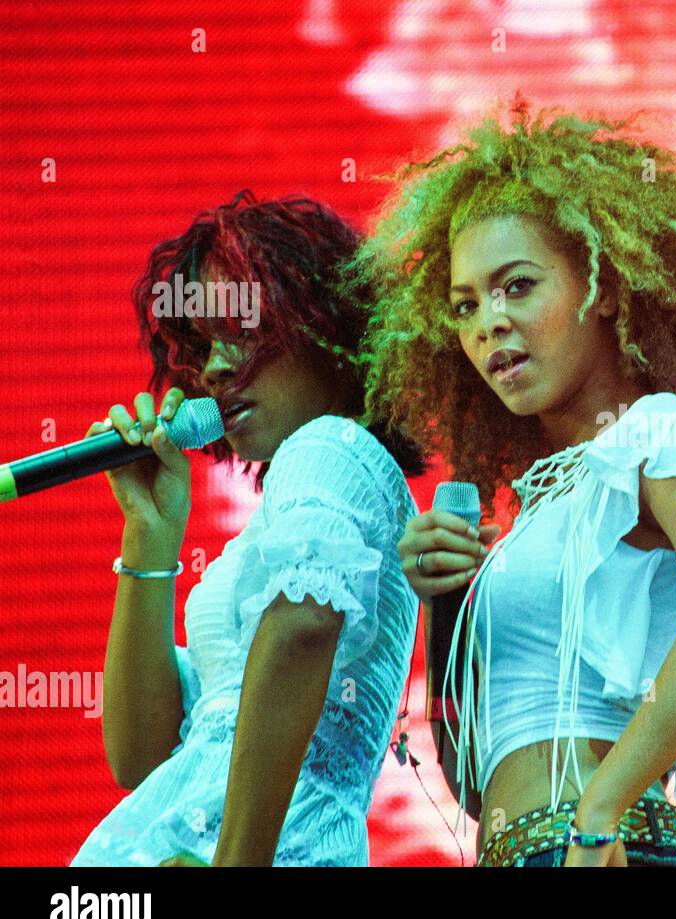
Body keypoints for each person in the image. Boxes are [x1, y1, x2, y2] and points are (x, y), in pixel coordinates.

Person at [350, 100, 676, 866]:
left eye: (517, 286)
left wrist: (601, 807)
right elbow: (474, 776)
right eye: (465, 306)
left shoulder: (654, 431)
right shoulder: (543, 503)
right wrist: (446, 604)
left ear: (608, 289)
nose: (488, 322)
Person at [70, 192, 425, 866]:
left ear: (328, 328)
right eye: (204, 344)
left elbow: (301, 628)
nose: (215, 368)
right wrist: (153, 531)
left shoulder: (331, 447)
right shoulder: (276, 523)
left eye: (245, 332)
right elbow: (143, 755)